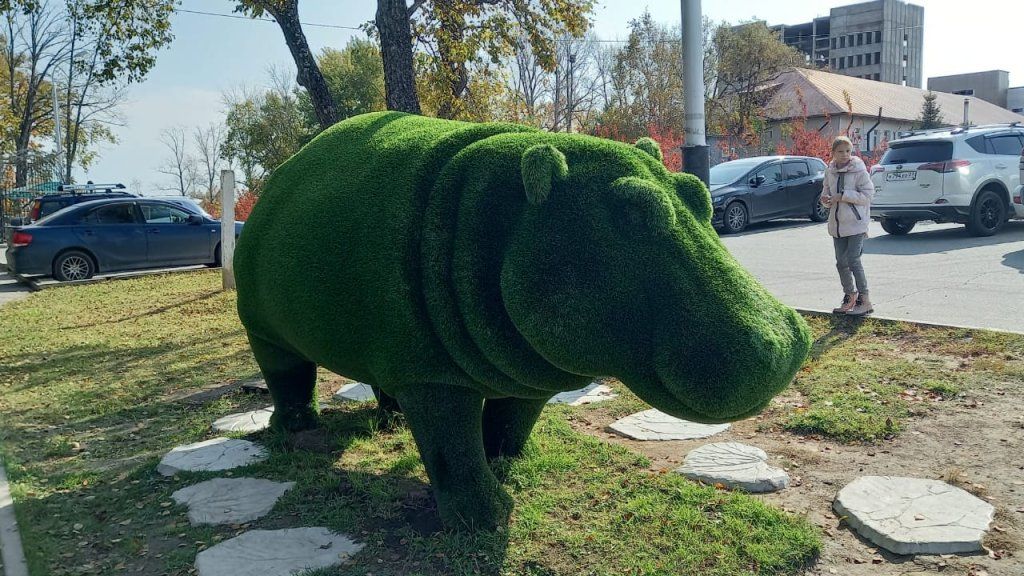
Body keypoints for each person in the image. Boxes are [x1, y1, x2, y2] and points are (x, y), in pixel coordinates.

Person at [820, 136, 874, 316]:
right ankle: (849, 295)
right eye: (840, 151)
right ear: (833, 153)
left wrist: (843, 195)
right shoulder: (830, 171)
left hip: (856, 224)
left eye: (848, 151)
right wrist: (826, 200)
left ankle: (864, 299)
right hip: (837, 225)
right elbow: (826, 193)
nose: (845, 155)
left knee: (853, 260)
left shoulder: (859, 170)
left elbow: (867, 195)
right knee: (841, 263)